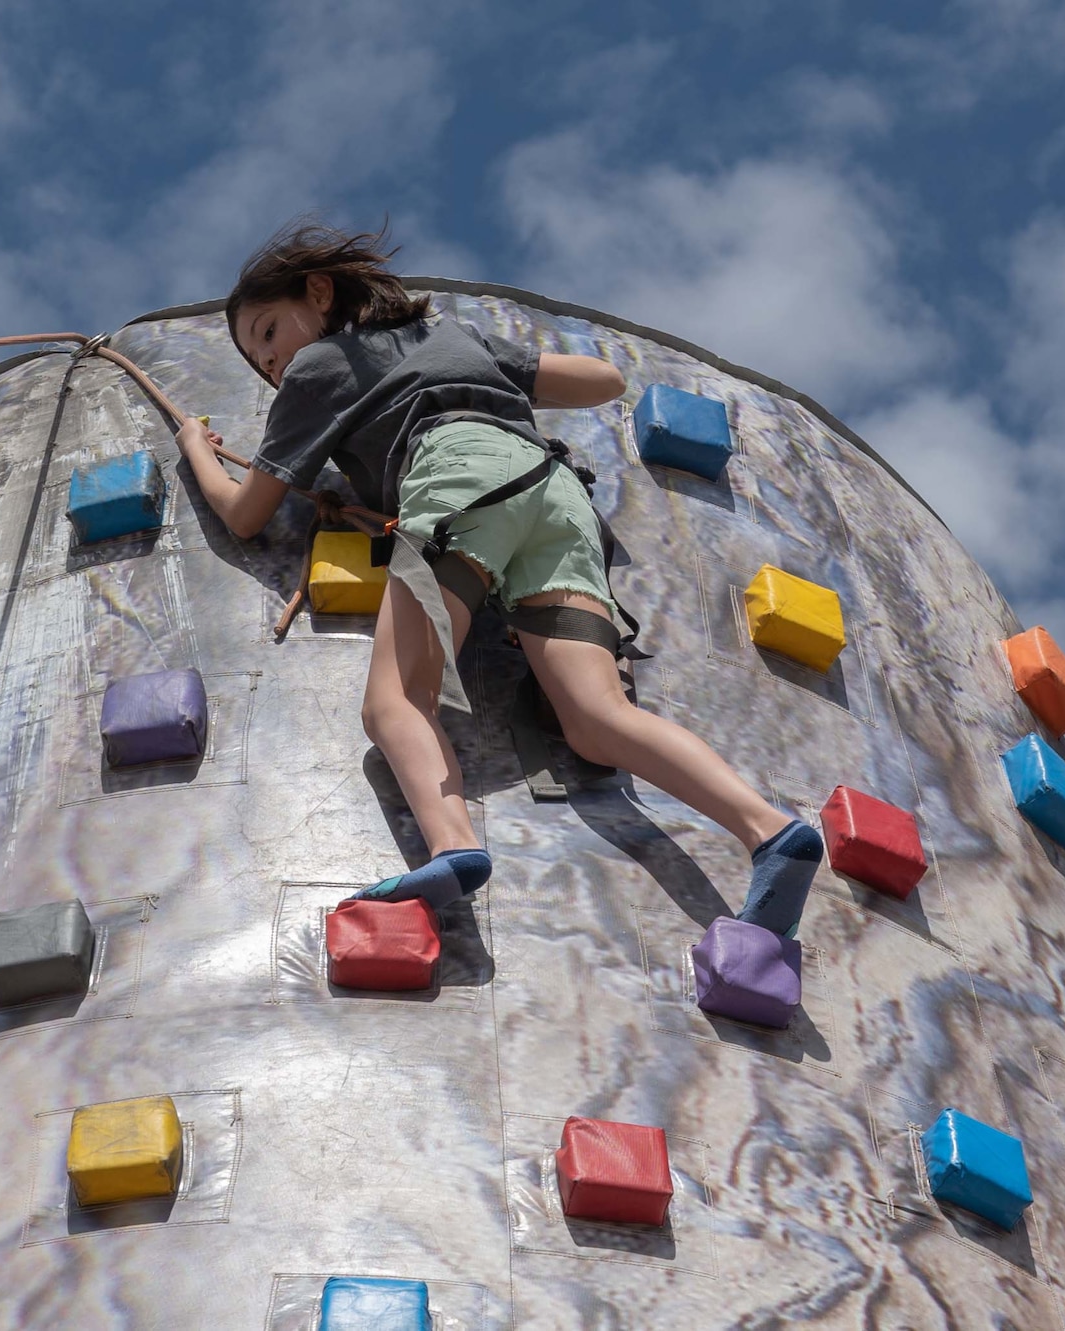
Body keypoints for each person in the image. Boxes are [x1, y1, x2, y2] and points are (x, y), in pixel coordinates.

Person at [174, 221, 823, 933]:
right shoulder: (453, 337)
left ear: (320, 290)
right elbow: (605, 380)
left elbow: (245, 515)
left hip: (461, 481)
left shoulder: (317, 367)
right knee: (597, 719)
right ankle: (768, 829)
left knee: (395, 699)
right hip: (557, 496)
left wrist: (196, 450)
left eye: (267, 331)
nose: (268, 360)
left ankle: (453, 847)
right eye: (255, 356)